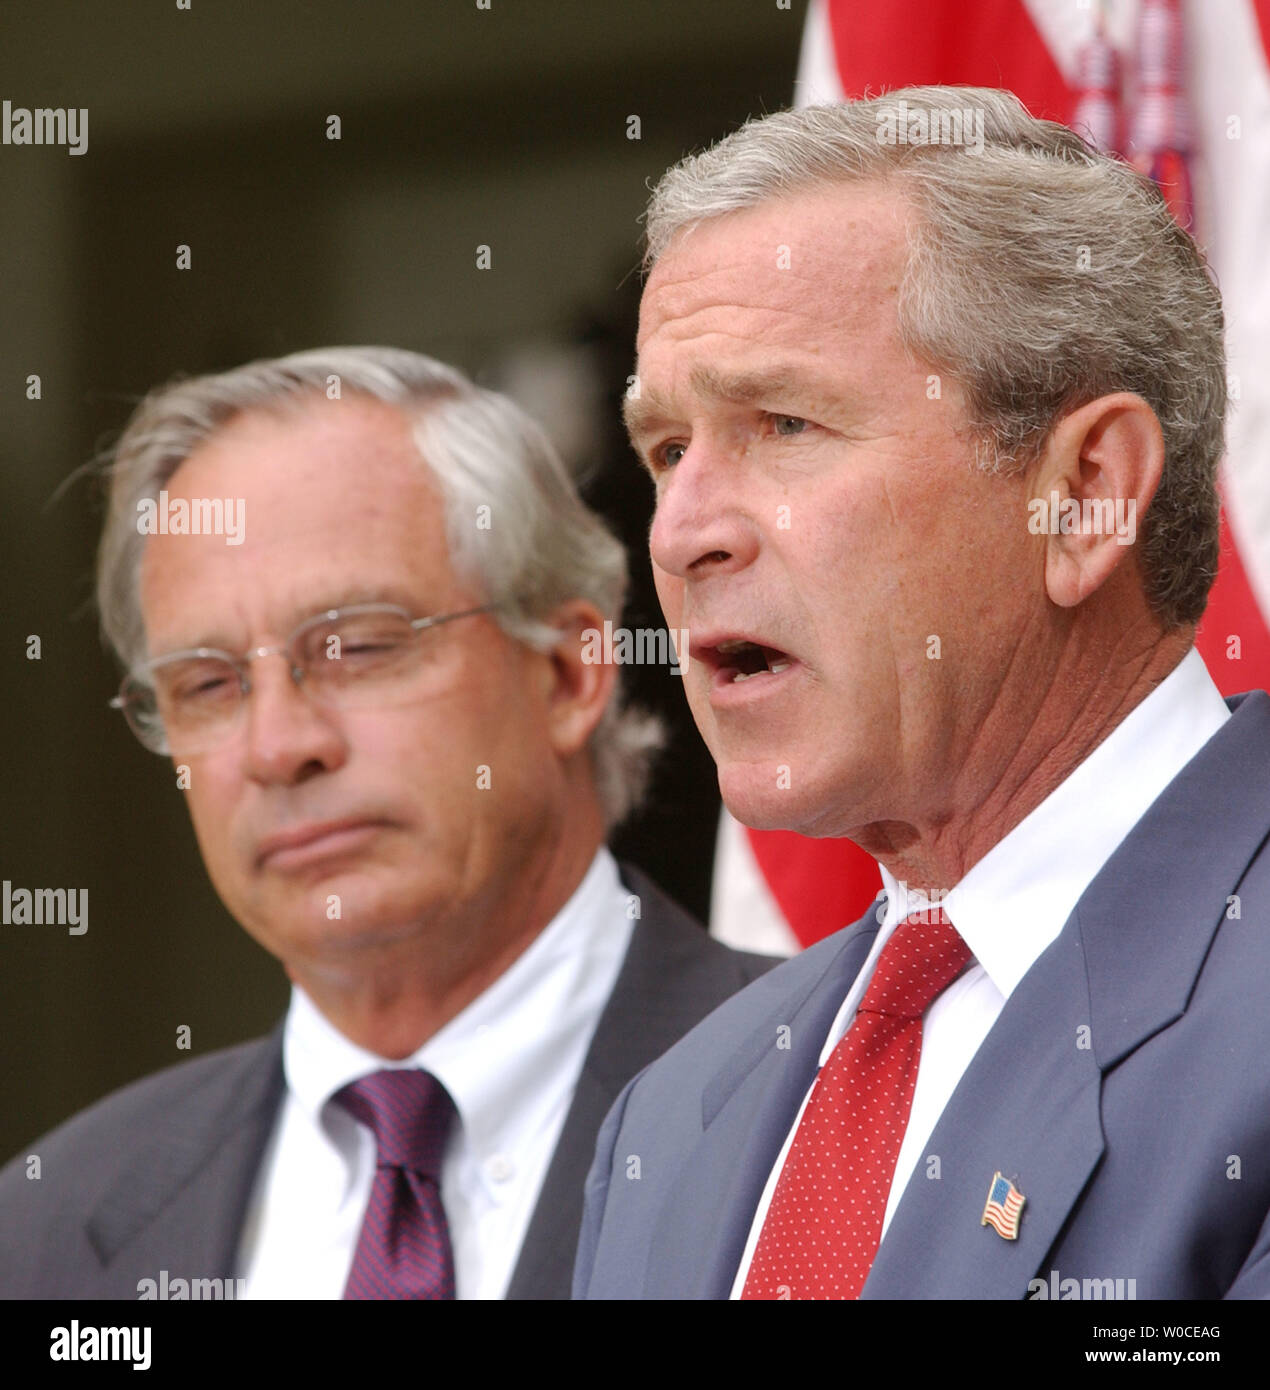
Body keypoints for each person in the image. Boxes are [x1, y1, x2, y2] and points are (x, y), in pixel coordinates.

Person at [574, 85, 1270, 1300]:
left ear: (1087, 494)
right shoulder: (671, 1117)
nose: (680, 534)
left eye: (784, 423)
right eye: (668, 451)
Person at [0, 345, 771, 1300]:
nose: (280, 745)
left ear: (570, 673)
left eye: (358, 648)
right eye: (207, 684)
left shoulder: (829, 1091)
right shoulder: (47, 1229)